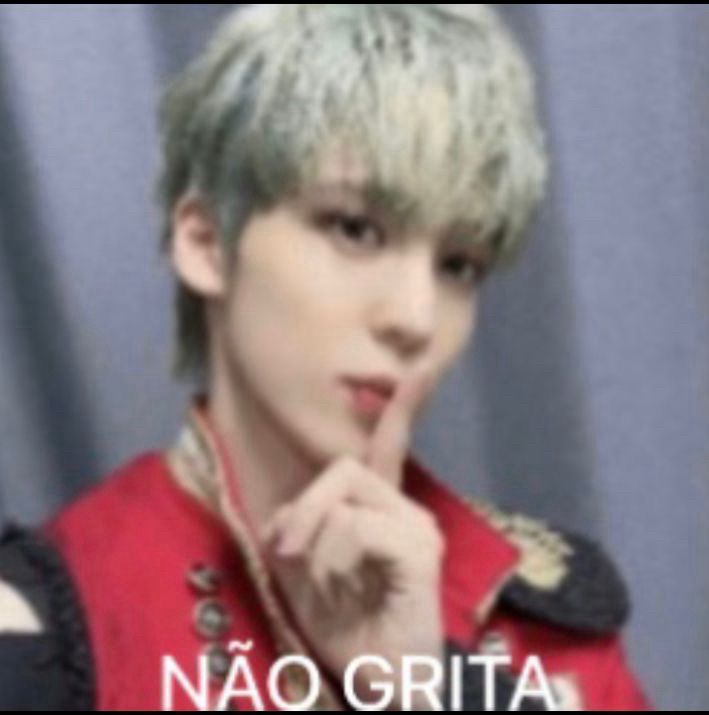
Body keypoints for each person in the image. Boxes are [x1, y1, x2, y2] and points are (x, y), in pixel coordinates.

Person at [0, 4, 651, 710]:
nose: (415, 318)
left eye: (458, 264)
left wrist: (430, 686)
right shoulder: (50, 623)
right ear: (207, 242)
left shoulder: (545, 616)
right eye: (355, 228)